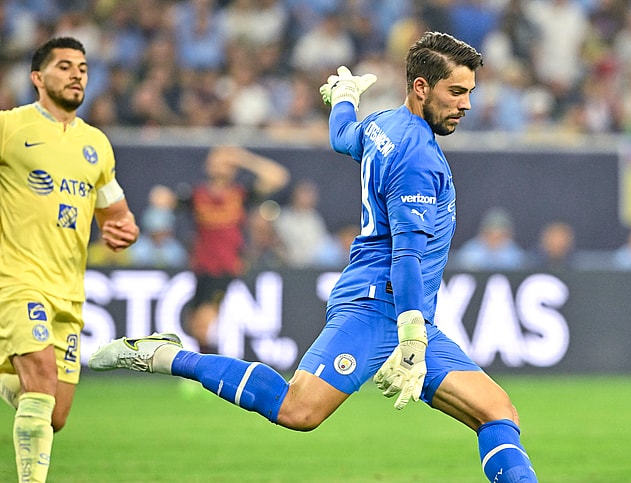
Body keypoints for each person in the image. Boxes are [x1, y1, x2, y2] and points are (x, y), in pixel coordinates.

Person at [90, 31, 538, 483]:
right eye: (456, 92)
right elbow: (407, 255)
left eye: (469, 93)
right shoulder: (417, 154)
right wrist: (412, 338)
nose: (465, 104)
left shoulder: (384, 125)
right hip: (379, 306)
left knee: (497, 411)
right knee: (297, 410)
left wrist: (343, 98)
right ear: (421, 87)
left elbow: (344, 137)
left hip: (400, 309)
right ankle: (165, 355)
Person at [0, 37, 139, 483]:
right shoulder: (10, 128)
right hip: (15, 278)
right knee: (39, 379)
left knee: (53, 413)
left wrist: (124, 229)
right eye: (64, 66)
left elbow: (115, 211)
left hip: (68, 290)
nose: (77, 73)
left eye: (82, 67)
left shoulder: (96, 144)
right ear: (37, 79)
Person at [182, 144, 289, 353]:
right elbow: (168, 202)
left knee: (205, 319)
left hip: (226, 266)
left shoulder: (241, 194)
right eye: (216, 160)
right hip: (201, 265)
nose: (221, 165)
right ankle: (202, 365)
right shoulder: (196, 195)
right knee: (194, 322)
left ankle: (204, 368)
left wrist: (243, 158)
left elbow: (278, 177)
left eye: (225, 161)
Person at [453, 206, 528, 270]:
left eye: (500, 236)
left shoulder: (515, 254)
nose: (495, 240)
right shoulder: (470, 252)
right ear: (482, 233)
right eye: (490, 234)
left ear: (508, 236)